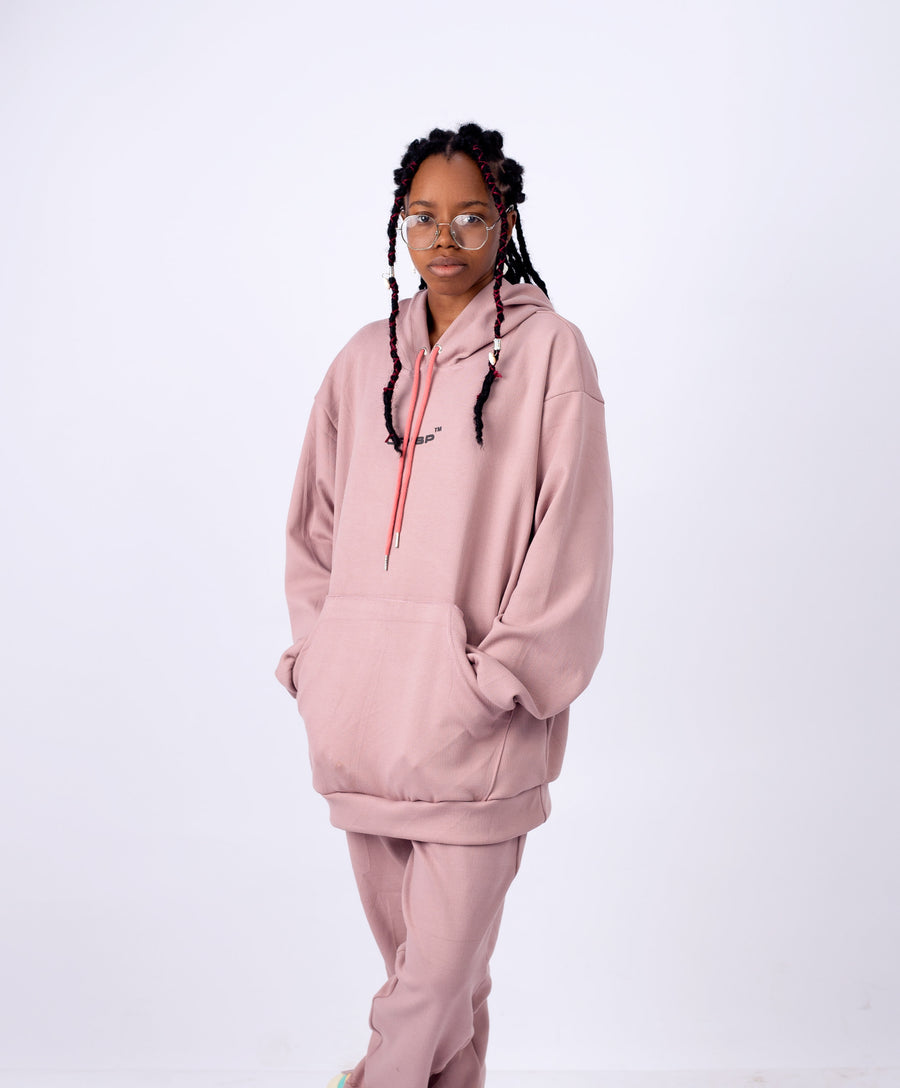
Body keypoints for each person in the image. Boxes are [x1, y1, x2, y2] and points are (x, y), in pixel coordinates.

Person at [275, 122, 613, 1088]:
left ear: (505, 222)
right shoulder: (359, 362)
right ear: (400, 225)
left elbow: (573, 529)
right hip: (362, 725)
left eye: (470, 216)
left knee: (425, 991)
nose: (445, 238)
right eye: (423, 217)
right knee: (443, 997)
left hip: (476, 731)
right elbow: (313, 526)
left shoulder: (550, 355)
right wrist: (321, 661)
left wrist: (503, 677)